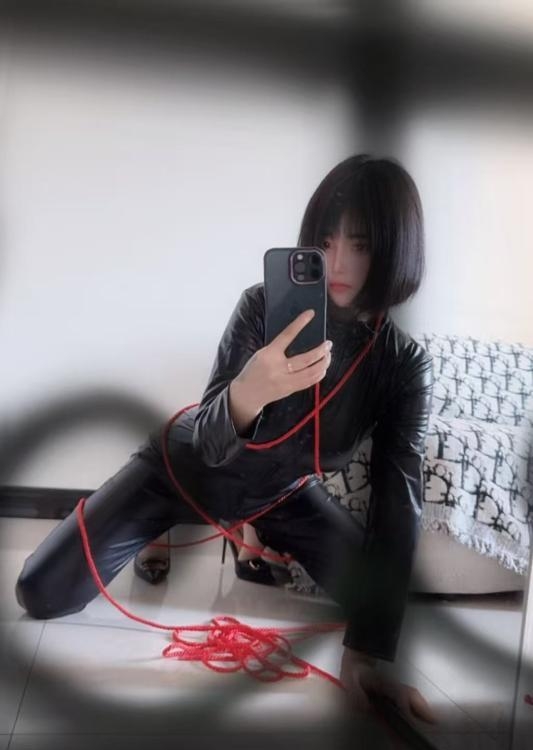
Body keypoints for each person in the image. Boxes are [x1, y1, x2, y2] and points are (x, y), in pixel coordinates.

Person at [15, 154, 436, 724]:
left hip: (283, 496)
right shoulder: (262, 306)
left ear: (394, 249)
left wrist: (367, 656)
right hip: (179, 472)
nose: (337, 261)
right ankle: (161, 531)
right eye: (325, 241)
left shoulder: (402, 365)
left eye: (359, 244)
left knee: (378, 599)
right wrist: (247, 393)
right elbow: (211, 446)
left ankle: (248, 531)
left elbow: (399, 504)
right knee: (41, 593)